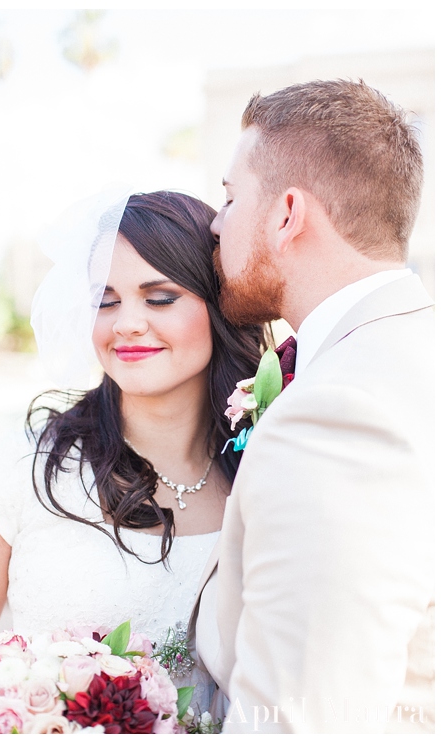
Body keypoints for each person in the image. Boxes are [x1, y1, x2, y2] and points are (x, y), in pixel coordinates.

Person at [0, 190, 265, 707]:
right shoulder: (19, 470)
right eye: (106, 300)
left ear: (220, 303)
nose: (126, 323)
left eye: (159, 297)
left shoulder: (264, 464)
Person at [189, 80, 433, 733]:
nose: (215, 222)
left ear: (287, 213)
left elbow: (296, 719)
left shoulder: (339, 409)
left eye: (229, 197)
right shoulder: (410, 352)